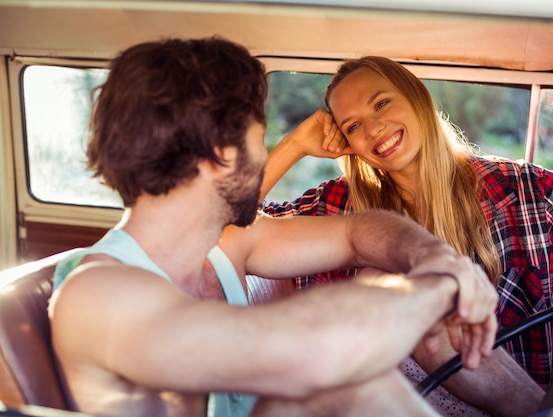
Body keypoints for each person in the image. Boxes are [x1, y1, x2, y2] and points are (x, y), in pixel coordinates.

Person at [48, 38, 500, 417]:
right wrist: (445, 285)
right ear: (218, 154)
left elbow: (355, 232)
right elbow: (315, 356)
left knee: (353, 389)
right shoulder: (99, 294)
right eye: (257, 140)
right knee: (337, 383)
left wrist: (433, 256)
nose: (264, 159)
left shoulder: (231, 243)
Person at [260, 56, 553, 413]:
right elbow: (237, 227)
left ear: (417, 96)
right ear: (348, 144)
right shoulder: (342, 204)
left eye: (381, 103)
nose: (374, 127)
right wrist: (294, 146)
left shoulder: (521, 189)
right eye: (352, 126)